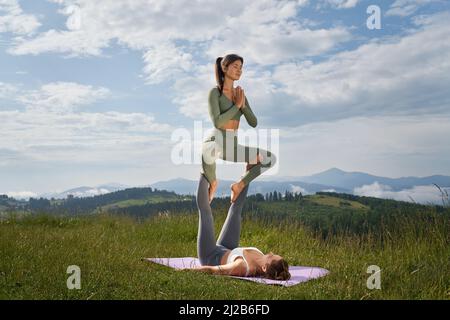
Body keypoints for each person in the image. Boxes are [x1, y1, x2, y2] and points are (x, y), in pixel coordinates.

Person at [183, 173, 290, 280]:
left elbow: (213, 270)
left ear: (264, 268)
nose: (270, 253)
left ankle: (205, 173)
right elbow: (280, 271)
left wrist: (185, 271)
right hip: (227, 249)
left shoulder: (242, 267)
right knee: (236, 210)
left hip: (210, 255)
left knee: (205, 212)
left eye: (271, 257)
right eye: (274, 254)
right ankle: (250, 170)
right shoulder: (261, 257)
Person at [201, 53, 277, 204]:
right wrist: (236, 106)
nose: (239, 70)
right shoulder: (215, 93)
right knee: (208, 152)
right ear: (224, 67)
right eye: (235, 66)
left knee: (269, 159)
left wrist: (243, 106)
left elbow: (253, 122)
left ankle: (238, 185)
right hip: (216, 138)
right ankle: (213, 182)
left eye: (241, 67)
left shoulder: (240, 94)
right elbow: (217, 122)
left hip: (232, 143)